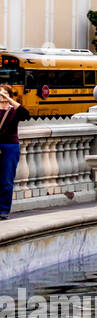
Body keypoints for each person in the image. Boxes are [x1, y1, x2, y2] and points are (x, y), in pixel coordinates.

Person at [0, 85, 30, 219]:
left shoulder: (14, 111)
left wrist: (7, 99)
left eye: (5, 93)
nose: (1, 95)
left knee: (6, 179)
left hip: (10, 147)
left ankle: (4, 210)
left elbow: (25, 113)